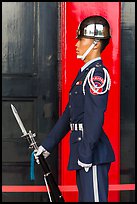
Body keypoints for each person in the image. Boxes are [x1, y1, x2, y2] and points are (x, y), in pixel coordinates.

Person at [34, 15, 115, 202]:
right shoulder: (84, 74)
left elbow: (94, 118)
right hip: (83, 151)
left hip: (92, 154)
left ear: (95, 44)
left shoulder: (96, 74)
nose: (77, 44)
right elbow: (70, 115)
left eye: (81, 39)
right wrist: (47, 146)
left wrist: (86, 154)